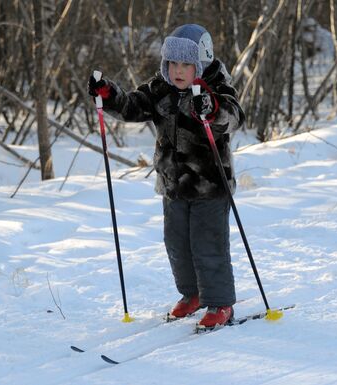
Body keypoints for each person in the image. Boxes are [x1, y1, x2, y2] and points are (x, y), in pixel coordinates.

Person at [88, 24, 245, 328]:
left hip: (209, 184)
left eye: (186, 64)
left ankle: (220, 302)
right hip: (173, 184)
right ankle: (192, 294)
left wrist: (210, 108)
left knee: (207, 243)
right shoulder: (160, 88)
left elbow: (233, 115)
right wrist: (108, 94)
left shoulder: (216, 85)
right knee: (176, 242)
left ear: (201, 63)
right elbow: (132, 106)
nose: (177, 71)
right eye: (172, 63)